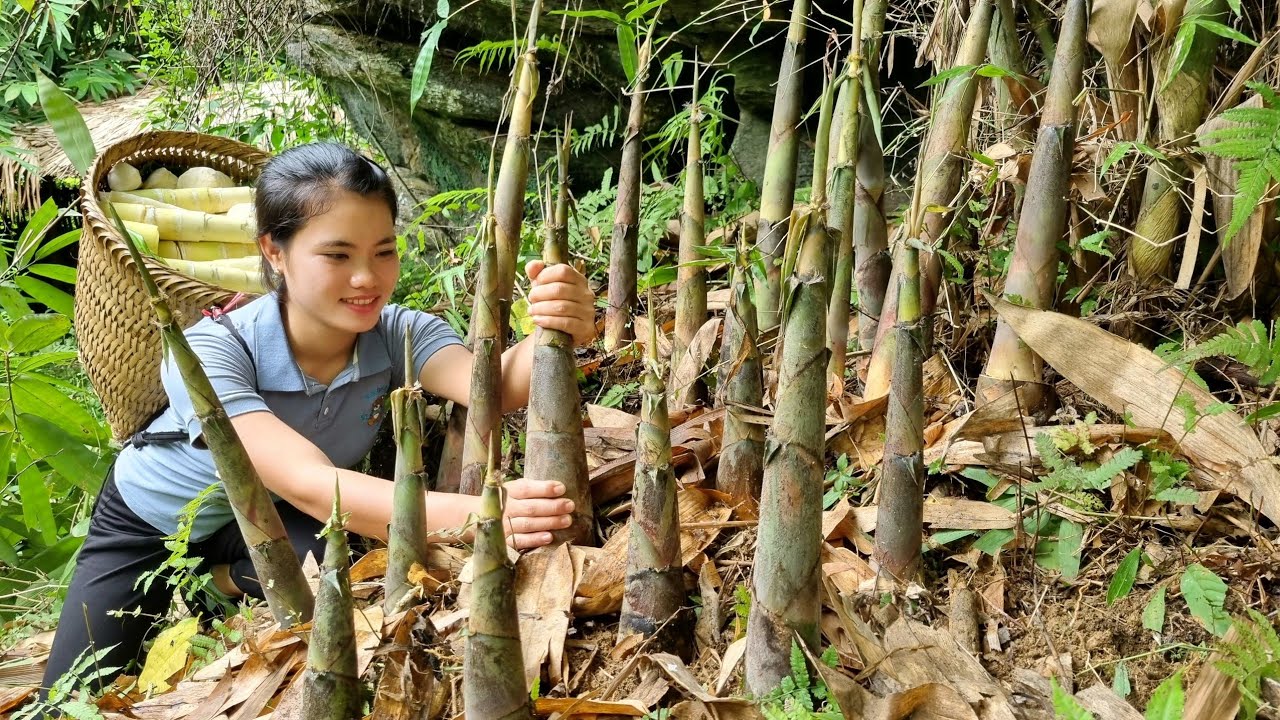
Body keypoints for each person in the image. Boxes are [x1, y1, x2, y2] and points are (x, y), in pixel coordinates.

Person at [41, 143, 598, 693]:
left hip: (274, 519)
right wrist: (483, 514)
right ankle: (198, 575)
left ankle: (221, 585)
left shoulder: (398, 331)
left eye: (384, 251)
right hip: (152, 524)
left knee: (342, 555)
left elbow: (493, 389)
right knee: (70, 695)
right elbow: (309, 483)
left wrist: (560, 322)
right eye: (337, 255)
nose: (367, 278)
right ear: (274, 252)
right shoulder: (212, 351)